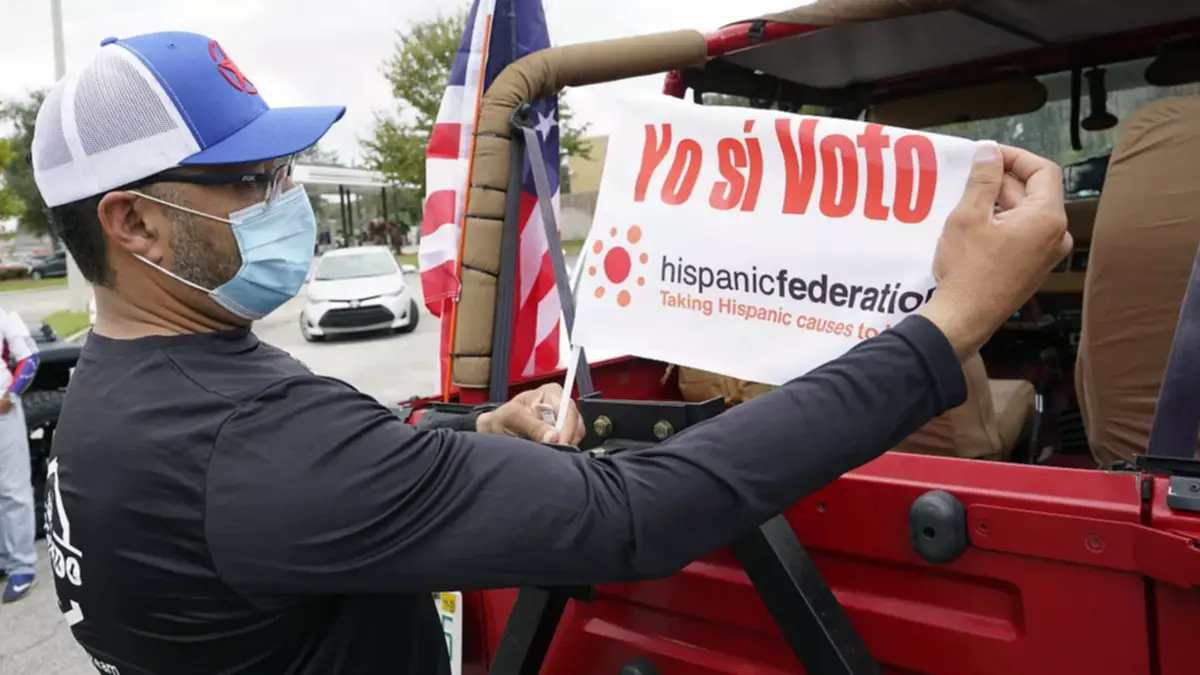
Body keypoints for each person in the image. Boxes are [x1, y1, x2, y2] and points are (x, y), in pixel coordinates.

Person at [32, 31, 1069, 675]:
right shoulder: (250, 442)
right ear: (136, 223)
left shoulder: (116, 392)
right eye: (255, 179)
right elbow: (636, 515)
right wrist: (949, 323)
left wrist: (474, 431)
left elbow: (298, 490)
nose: (288, 196)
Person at [0, 305, 41, 603]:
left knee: (12, 490)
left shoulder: (4, 315)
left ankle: (22, 566)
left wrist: (11, 395)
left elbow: (30, 357)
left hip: (3, 413)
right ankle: (4, 558)